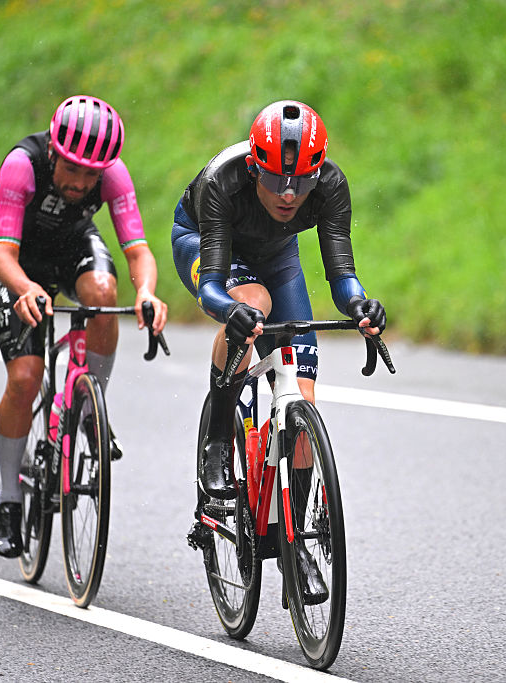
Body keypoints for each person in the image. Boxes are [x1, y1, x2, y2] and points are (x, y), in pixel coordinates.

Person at [171, 100, 386, 601]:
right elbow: (214, 288)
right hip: (204, 242)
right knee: (253, 303)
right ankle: (219, 442)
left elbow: (341, 275)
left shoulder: (330, 185)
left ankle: (296, 546)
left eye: (302, 183)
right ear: (254, 169)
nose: (289, 195)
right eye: (274, 182)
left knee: (302, 401)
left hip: (276, 253)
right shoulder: (224, 182)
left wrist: (360, 306)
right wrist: (231, 312)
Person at [0, 95, 168, 558]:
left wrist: (146, 291)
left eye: (93, 175)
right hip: (20, 262)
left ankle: (89, 406)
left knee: (105, 294)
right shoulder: (21, 165)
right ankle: (9, 500)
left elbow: (137, 251)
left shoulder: (113, 173)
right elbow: (1, 253)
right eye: (73, 170)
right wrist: (26, 288)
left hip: (72, 248)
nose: (82, 182)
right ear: (53, 152)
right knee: (25, 377)